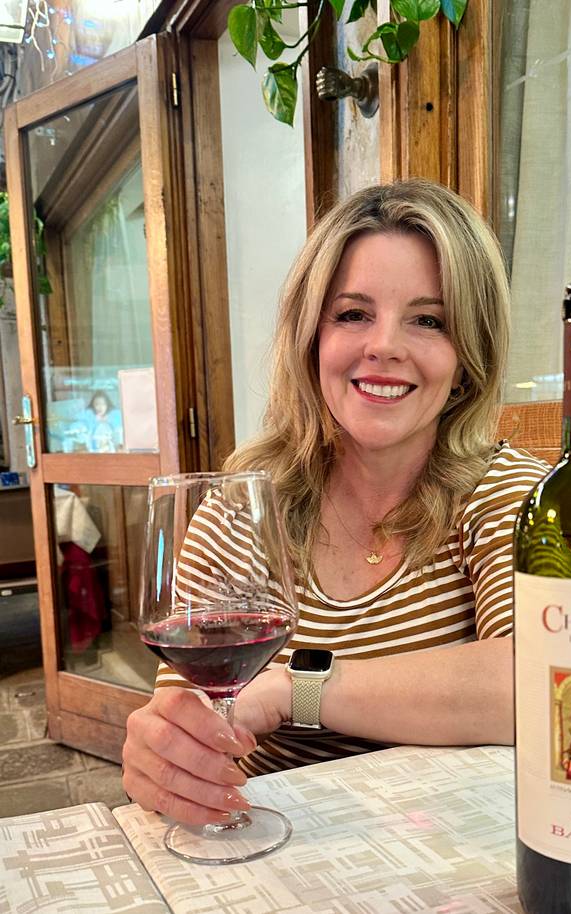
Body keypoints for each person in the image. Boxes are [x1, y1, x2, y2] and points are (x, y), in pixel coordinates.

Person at [122, 179, 548, 826]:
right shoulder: (240, 514)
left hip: (459, 851)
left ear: (467, 356)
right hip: (289, 852)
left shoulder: (510, 497)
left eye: (428, 320)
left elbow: (544, 683)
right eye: (352, 314)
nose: (384, 346)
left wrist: (299, 688)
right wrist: (167, 762)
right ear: (311, 339)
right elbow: (196, 732)